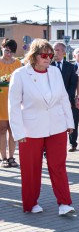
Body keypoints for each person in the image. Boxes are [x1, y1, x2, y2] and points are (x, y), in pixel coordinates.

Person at [8, 39, 75, 215]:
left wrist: (69, 123)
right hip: (31, 129)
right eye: (44, 55)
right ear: (34, 56)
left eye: (50, 55)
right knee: (31, 168)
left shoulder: (55, 72)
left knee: (58, 165)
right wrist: (18, 132)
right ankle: (30, 203)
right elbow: (13, 106)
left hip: (57, 126)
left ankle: (64, 203)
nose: (48, 58)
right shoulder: (21, 74)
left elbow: (63, 98)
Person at [51, 42, 78, 152]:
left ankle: (73, 143)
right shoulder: (49, 66)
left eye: (57, 50)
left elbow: (73, 83)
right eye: (53, 50)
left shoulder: (70, 67)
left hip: (68, 99)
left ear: (63, 52)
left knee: (72, 120)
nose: (54, 52)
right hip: (52, 100)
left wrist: (66, 96)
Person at [0, 39, 22, 168]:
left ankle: (11, 156)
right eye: (7, 50)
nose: (9, 54)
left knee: (13, 130)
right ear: (2, 48)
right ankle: (3, 157)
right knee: (2, 129)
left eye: (12, 52)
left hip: (14, 100)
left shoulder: (18, 63)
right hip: (1, 100)